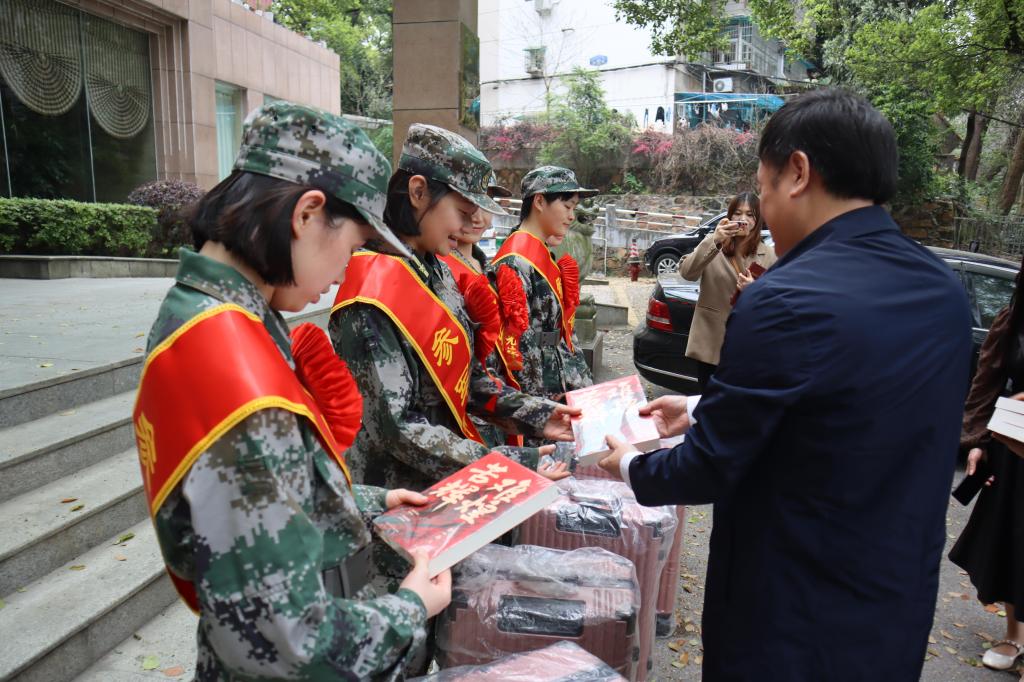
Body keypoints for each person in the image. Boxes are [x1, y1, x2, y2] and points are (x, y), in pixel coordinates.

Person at [596, 89, 973, 679]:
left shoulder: (787, 297)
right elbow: (852, 405)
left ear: (797, 172)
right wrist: (702, 406)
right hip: (893, 602)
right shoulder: (942, 289)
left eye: (763, 188)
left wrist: (628, 464)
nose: (764, 210)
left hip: (791, 613)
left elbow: (709, 467)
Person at [132, 102, 451, 681]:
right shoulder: (235, 368)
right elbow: (288, 643)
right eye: (353, 245)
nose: (346, 270)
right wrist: (411, 608)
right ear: (306, 214)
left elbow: (249, 502)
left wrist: (369, 502)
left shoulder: (200, 313)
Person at [329, 124, 576, 494]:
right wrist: (505, 465)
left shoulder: (435, 267)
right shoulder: (369, 292)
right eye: (462, 210)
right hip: (399, 493)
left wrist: (539, 415)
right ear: (418, 192)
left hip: (451, 477)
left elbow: (468, 378)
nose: (469, 224)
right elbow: (397, 428)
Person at [949, 270, 1024, 671]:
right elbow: (987, 381)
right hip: (1015, 446)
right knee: (1013, 540)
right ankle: (1015, 636)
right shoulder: (1014, 317)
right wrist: (978, 440)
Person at [491, 166, 597, 411]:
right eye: (567, 206)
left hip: (560, 378)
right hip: (541, 393)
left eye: (574, 208)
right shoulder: (515, 261)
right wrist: (540, 408)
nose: (571, 216)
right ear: (539, 201)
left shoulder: (542, 252)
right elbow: (517, 345)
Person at [678, 192, 776, 391]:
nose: (742, 219)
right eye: (737, 213)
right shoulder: (713, 246)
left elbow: (777, 303)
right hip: (711, 344)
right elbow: (687, 273)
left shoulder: (770, 256)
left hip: (748, 347)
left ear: (758, 220)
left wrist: (755, 290)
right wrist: (715, 239)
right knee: (708, 401)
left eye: (750, 214)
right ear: (729, 217)